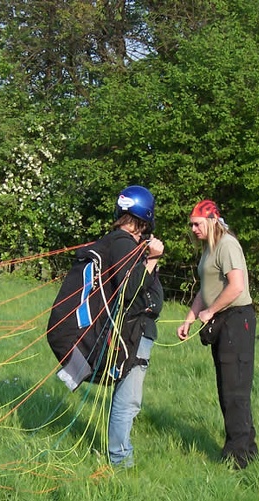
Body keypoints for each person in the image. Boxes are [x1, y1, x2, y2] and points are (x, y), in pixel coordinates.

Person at [176, 199, 258, 469]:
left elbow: (236, 287)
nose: (193, 228)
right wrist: (190, 318)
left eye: (197, 223)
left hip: (237, 320)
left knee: (235, 390)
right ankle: (248, 448)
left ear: (212, 220)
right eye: (191, 224)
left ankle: (237, 458)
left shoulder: (227, 245)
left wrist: (210, 312)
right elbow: (206, 288)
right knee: (227, 388)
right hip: (221, 319)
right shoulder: (208, 249)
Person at [105, 185, 165, 467]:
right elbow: (130, 289)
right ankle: (120, 460)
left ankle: (119, 456)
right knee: (129, 399)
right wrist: (152, 258)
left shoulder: (126, 244)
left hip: (138, 329)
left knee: (129, 397)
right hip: (133, 330)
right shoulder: (121, 243)